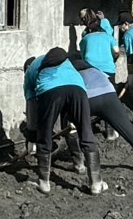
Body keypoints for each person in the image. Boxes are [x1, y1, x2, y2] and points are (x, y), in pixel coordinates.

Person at [22, 48, 105, 195]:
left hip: (50, 90)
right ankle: (95, 182)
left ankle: (44, 183)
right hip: (78, 89)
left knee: (44, 135)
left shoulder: (30, 72)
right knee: (84, 131)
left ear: (26, 68)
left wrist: (32, 136)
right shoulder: (63, 62)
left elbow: (32, 110)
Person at [72, 57, 133, 174]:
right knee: (127, 129)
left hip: (86, 100)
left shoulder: (71, 75)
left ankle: (79, 164)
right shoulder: (98, 71)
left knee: (73, 128)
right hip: (109, 96)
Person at [79, 10, 119, 80]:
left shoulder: (85, 36)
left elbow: (82, 54)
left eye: (82, 19)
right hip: (108, 69)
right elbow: (116, 52)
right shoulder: (108, 35)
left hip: (91, 69)